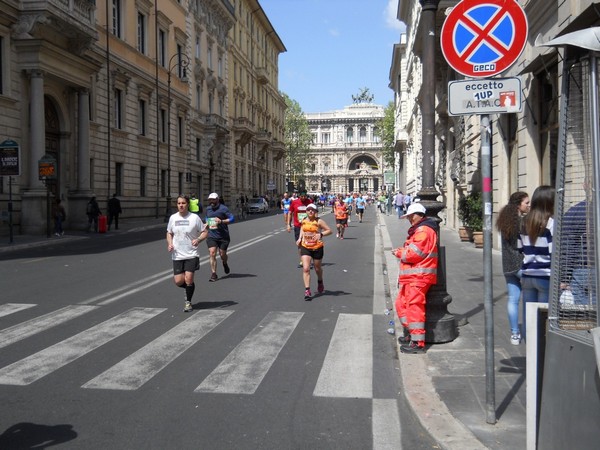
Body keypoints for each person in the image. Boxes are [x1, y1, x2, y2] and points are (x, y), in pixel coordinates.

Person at [392, 202, 439, 354]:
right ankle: (411, 334)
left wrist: (399, 252)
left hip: (419, 276)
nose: (409, 219)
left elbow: (414, 254)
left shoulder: (423, 231)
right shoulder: (419, 230)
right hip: (413, 276)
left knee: (414, 306)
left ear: (417, 215)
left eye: (411, 216)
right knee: (402, 304)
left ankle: (418, 342)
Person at [496, 191, 530, 345]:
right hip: (522, 265)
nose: (529, 205)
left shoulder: (505, 221)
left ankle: (515, 334)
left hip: (508, 266)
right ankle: (528, 331)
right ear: (518, 205)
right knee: (528, 299)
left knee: (513, 300)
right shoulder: (521, 223)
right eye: (526, 203)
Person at [166, 195, 208, 312]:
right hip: (177, 254)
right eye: (179, 203)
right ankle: (189, 288)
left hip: (191, 254)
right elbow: (169, 233)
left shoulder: (194, 218)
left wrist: (198, 239)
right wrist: (169, 243)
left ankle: (188, 302)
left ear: (188, 204)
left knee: (189, 278)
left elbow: (204, 232)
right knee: (179, 281)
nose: (181, 205)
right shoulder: (173, 218)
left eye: (183, 203)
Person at [518, 185, 555, 305]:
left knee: (529, 320)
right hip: (545, 275)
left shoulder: (523, 222)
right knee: (544, 319)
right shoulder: (550, 223)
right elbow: (553, 252)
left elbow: (519, 248)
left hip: (527, 275)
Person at [297, 203, 333, 300]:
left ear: (316, 212)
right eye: (308, 209)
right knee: (306, 268)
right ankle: (307, 290)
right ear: (306, 211)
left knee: (317, 269)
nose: (310, 211)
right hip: (306, 247)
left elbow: (329, 230)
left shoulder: (319, 221)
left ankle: (320, 281)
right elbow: (302, 229)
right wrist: (300, 238)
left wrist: (320, 235)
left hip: (317, 247)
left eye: (312, 210)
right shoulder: (304, 220)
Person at [205, 192, 235, 281]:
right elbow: (207, 218)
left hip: (223, 236)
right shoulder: (208, 209)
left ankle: (224, 263)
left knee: (222, 254)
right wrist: (207, 223)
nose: (211, 201)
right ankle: (214, 273)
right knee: (212, 253)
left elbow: (232, 218)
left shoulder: (224, 208)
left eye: (213, 199)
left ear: (217, 199)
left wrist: (221, 221)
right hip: (212, 235)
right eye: (210, 200)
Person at [287, 190, 314, 268]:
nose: (303, 198)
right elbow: (290, 213)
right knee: (300, 244)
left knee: (309, 243)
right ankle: (302, 260)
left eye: (304, 196)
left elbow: (314, 212)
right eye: (302, 196)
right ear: (299, 196)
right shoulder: (294, 202)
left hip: (308, 226)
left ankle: (309, 261)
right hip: (298, 226)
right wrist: (288, 225)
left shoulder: (309, 201)